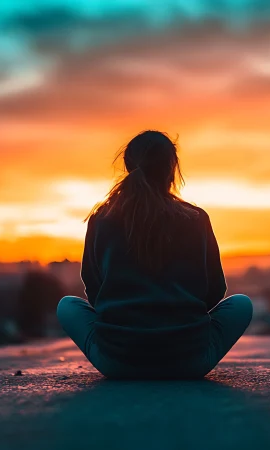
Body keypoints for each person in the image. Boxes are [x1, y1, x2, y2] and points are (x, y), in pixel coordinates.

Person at [57, 130, 253, 379]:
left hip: (118, 362)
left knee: (68, 305)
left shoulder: (102, 219)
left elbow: (95, 290)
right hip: (189, 361)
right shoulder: (195, 218)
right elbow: (215, 290)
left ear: (128, 167)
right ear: (171, 169)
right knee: (241, 304)